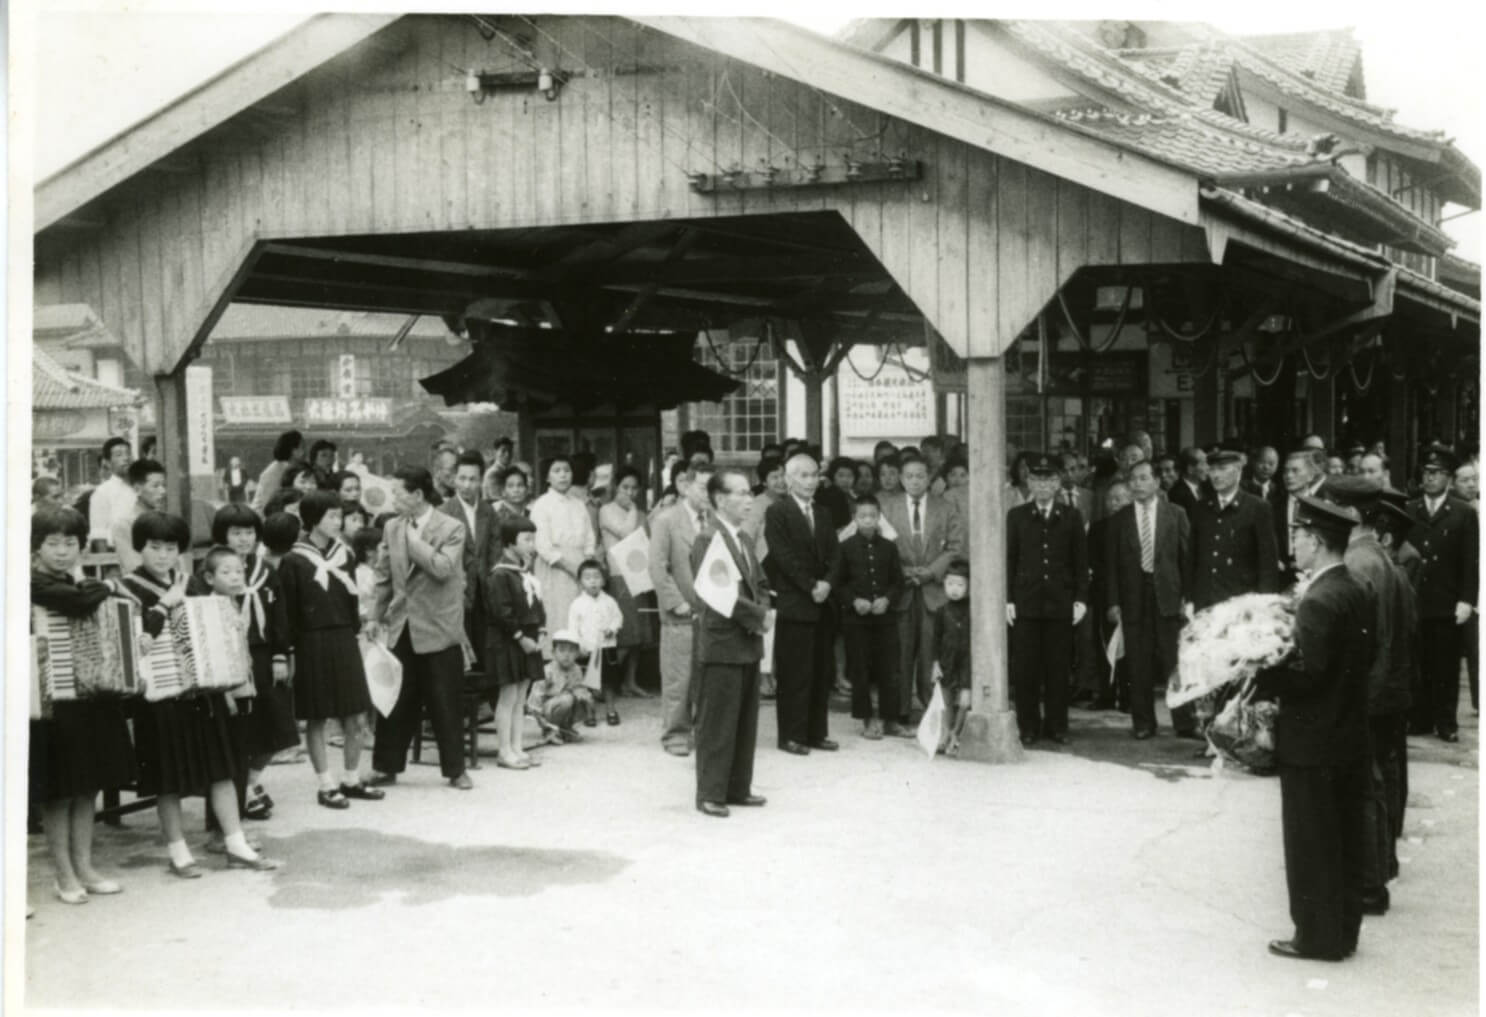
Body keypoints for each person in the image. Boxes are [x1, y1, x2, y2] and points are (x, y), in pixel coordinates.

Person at [118, 511, 281, 876]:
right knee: (168, 778)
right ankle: (178, 851)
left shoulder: (189, 581)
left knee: (222, 769)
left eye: (171, 547)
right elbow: (135, 644)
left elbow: (211, 627)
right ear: (139, 548)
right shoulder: (125, 588)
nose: (163, 555)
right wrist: (165, 604)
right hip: (159, 696)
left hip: (203, 692)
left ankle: (234, 842)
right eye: (154, 547)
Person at [1258, 495, 1370, 963]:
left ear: (1318, 541)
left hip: (1311, 738)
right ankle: (1342, 931)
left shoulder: (1318, 600)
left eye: (1299, 538)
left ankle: (1316, 937)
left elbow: (1307, 676)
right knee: (1343, 837)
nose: (1294, 547)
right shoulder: (1355, 588)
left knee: (1310, 842)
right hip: (1347, 734)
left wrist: (1265, 668)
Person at [29, 507, 137, 903]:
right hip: (53, 697)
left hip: (91, 695)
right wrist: (108, 586)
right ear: (36, 547)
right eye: (52, 544)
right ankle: (63, 873)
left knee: (86, 785)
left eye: (70, 543)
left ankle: (84, 866)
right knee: (60, 790)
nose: (62, 551)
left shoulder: (76, 579)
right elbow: (75, 603)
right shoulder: (31, 581)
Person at [1325, 476, 1412, 915]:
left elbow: (1362, 640)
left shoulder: (1360, 562)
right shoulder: (1377, 555)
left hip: (1369, 693)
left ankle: (1368, 885)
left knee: (1365, 790)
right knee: (1379, 785)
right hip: (1387, 691)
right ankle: (1378, 874)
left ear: (1351, 513)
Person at [366, 467, 472, 789]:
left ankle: (456, 770)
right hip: (402, 624)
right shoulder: (391, 527)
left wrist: (413, 543)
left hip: (440, 627)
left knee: (445, 701)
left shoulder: (452, 527)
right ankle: (386, 766)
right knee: (395, 698)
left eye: (398, 492)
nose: (393, 498)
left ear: (417, 495)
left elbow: (442, 568)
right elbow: (384, 576)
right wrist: (374, 616)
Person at [278, 491, 382, 809]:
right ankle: (326, 784)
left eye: (340, 516)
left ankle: (351, 779)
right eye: (331, 517)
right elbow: (287, 611)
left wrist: (358, 628)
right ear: (313, 520)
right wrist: (288, 651)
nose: (338, 522)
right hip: (311, 641)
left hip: (344, 639)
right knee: (318, 717)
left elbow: (351, 601)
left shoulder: (345, 556)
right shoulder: (294, 560)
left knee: (356, 714)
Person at [201, 505, 296, 821]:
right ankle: (239, 796)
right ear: (223, 535)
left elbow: (281, 614)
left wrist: (281, 653)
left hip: (264, 655)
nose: (244, 539)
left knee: (277, 726)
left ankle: (252, 782)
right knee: (240, 729)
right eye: (236, 533)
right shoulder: (215, 570)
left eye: (249, 533)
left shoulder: (265, 570)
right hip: (231, 657)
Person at [691, 469, 774, 817]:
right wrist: (759, 616)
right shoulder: (709, 539)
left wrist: (764, 607)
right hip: (723, 643)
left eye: (748, 493)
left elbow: (760, 581)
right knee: (718, 722)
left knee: (744, 720)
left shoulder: (741, 537)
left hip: (745, 641)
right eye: (740, 493)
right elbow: (718, 594)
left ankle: (738, 786)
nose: (748, 499)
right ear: (720, 500)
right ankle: (711, 791)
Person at [1190, 445, 1281, 738]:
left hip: (1241, 608)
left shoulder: (1257, 508)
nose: (1214, 475)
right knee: (1210, 676)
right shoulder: (1201, 508)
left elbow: (1268, 563)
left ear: (1238, 472)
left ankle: (1240, 738)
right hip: (1209, 606)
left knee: (1240, 675)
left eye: (1222, 469)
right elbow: (1193, 558)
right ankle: (1211, 737)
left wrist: (1265, 610)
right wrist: (1190, 600)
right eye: (1212, 469)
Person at [1007, 453, 1089, 746]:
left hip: (1060, 603)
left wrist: (1080, 598)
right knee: (1025, 668)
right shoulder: (1016, 516)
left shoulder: (1071, 516)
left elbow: (1080, 561)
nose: (1043, 486)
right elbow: (1010, 559)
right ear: (1028, 482)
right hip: (1026, 604)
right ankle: (1027, 725)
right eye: (1037, 479)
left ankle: (1057, 725)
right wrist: (1008, 599)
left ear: (1058, 483)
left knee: (1058, 668)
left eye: (1049, 479)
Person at [1106, 460, 1192, 739]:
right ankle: (1143, 723)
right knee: (1138, 662)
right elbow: (1112, 566)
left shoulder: (1176, 514)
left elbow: (1186, 558)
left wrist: (1187, 597)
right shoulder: (1120, 519)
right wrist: (1114, 602)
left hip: (1168, 594)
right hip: (1133, 596)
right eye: (1134, 479)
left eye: (1144, 478)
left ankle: (1184, 721)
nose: (1138, 484)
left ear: (1157, 482)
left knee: (1174, 660)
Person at [764, 452, 842, 756]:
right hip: (795, 601)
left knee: (821, 671)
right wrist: (811, 586)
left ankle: (816, 732)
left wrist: (827, 584)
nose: (811, 481)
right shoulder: (778, 512)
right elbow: (783, 557)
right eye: (804, 475)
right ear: (789, 478)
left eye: (815, 475)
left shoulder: (823, 513)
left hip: (823, 602)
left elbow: (836, 554)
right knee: (796, 672)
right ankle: (792, 735)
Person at [879, 454, 964, 728]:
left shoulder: (945, 507)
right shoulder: (887, 507)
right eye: (909, 476)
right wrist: (903, 572)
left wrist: (930, 572)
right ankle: (900, 711)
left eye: (920, 476)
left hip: (933, 589)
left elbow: (954, 546)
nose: (915, 481)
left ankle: (933, 714)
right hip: (901, 589)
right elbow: (882, 546)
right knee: (901, 653)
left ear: (929, 479)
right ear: (901, 480)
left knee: (931, 653)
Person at [1405, 444, 1478, 742]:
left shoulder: (1462, 513)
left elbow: (1470, 561)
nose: (1430, 478)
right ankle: (1421, 717)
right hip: (1416, 599)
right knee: (1418, 661)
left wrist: (1467, 600)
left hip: (1447, 601)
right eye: (1426, 472)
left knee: (1446, 664)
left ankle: (1446, 721)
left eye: (1436, 473)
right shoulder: (1410, 509)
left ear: (1448, 477)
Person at [649, 464, 713, 757]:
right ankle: (675, 733)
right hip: (681, 612)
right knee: (679, 676)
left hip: (712, 612)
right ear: (686, 486)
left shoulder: (714, 521)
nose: (708, 494)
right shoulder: (666, 521)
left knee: (707, 676)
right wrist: (677, 602)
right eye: (702, 487)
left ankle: (704, 730)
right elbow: (657, 568)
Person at [836, 495, 905, 739]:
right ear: (854, 518)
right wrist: (854, 601)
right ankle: (866, 719)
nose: (868, 520)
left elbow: (898, 582)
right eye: (862, 516)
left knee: (889, 668)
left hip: (884, 618)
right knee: (860, 670)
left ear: (879, 518)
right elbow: (839, 583)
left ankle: (891, 719)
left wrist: (887, 599)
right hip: (857, 620)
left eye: (872, 516)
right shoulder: (844, 548)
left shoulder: (888, 547)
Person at [481, 516, 546, 768]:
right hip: (509, 642)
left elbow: (537, 605)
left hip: (528, 641)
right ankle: (504, 750)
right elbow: (501, 612)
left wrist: (540, 631)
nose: (532, 544)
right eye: (526, 539)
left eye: (533, 539)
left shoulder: (524, 574)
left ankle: (517, 747)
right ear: (509, 544)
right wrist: (521, 638)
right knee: (507, 697)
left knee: (521, 697)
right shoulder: (501, 575)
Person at [598, 465, 657, 699]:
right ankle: (604, 683)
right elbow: (626, 532)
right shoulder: (606, 510)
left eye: (634, 488)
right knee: (623, 634)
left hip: (638, 575)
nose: (630, 493)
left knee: (639, 636)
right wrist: (634, 510)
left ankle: (629, 682)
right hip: (618, 575)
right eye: (625, 487)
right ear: (616, 487)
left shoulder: (641, 513)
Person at [529, 455, 597, 659]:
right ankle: (552, 674)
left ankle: (578, 675)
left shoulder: (579, 504)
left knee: (580, 619)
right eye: (557, 471)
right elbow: (543, 546)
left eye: (566, 470)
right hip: (555, 570)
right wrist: (572, 568)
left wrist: (587, 566)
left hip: (580, 568)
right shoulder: (541, 505)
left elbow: (589, 538)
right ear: (548, 477)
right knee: (557, 618)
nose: (563, 475)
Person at [440, 450, 497, 671]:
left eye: (473, 479)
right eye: (462, 478)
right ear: (454, 479)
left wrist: (492, 583)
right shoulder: (444, 512)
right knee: (459, 653)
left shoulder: (488, 511)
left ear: (481, 480)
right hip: (456, 591)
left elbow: (495, 550)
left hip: (485, 589)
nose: (467, 484)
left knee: (485, 650)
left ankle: (484, 700)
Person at [1085, 479, 1133, 710]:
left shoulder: (1136, 525)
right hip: (1104, 595)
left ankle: (1127, 697)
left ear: (1130, 499)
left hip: (1131, 595)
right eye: (1110, 499)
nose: (1114, 504)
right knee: (1103, 646)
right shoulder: (1097, 529)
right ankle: (1105, 693)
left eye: (1119, 499)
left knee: (1129, 648)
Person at [569, 559, 624, 726]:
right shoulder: (577, 604)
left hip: (607, 648)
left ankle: (611, 710)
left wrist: (612, 629)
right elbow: (573, 628)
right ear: (580, 582)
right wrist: (578, 646)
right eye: (587, 578)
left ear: (603, 580)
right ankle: (589, 712)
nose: (592, 581)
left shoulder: (609, 601)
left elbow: (618, 618)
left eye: (596, 577)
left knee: (608, 681)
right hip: (588, 648)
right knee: (589, 683)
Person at [932, 558, 972, 754]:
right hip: (947, 663)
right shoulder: (941, 611)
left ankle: (957, 734)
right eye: (950, 584)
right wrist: (935, 662)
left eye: (960, 585)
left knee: (965, 701)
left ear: (968, 586)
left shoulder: (973, 611)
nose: (954, 589)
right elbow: (935, 639)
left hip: (966, 665)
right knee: (946, 702)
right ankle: (946, 734)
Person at [527, 630, 594, 742]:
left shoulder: (577, 669)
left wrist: (584, 696)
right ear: (553, 652)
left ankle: (565, 728)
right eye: (562, 650)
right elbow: (535, 697)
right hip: (547, 709)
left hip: (566, 702)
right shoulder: (547, 671)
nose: (566, 655)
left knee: (584, 698)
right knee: (567, 699)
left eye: (571, 651)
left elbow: (579, 687)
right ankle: (550, 730)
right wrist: (540, 719)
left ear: (577, 654)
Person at [110, 458, 168, 574]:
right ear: (137, 489)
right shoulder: (124, 525)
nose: (163, 491)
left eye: (163, 485)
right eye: (155, 486)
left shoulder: (166, 521)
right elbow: (132, 566)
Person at [252, 431, 302, 515]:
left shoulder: (294, 468)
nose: (306, 451)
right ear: (293, 450)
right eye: (303, 447)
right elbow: (268, 504)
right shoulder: (275, 471)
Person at [817, 457, 857, 531]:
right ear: (833, 477)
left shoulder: (855, 499)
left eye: (850, 476)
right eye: (841, 475)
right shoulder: (826, 498)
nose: (845, 480)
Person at [1167, 447, 1209, 517]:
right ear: (1190, 469)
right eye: (1203, 464)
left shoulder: (1209, 487)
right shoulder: (1176, 494)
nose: (1208, 467)